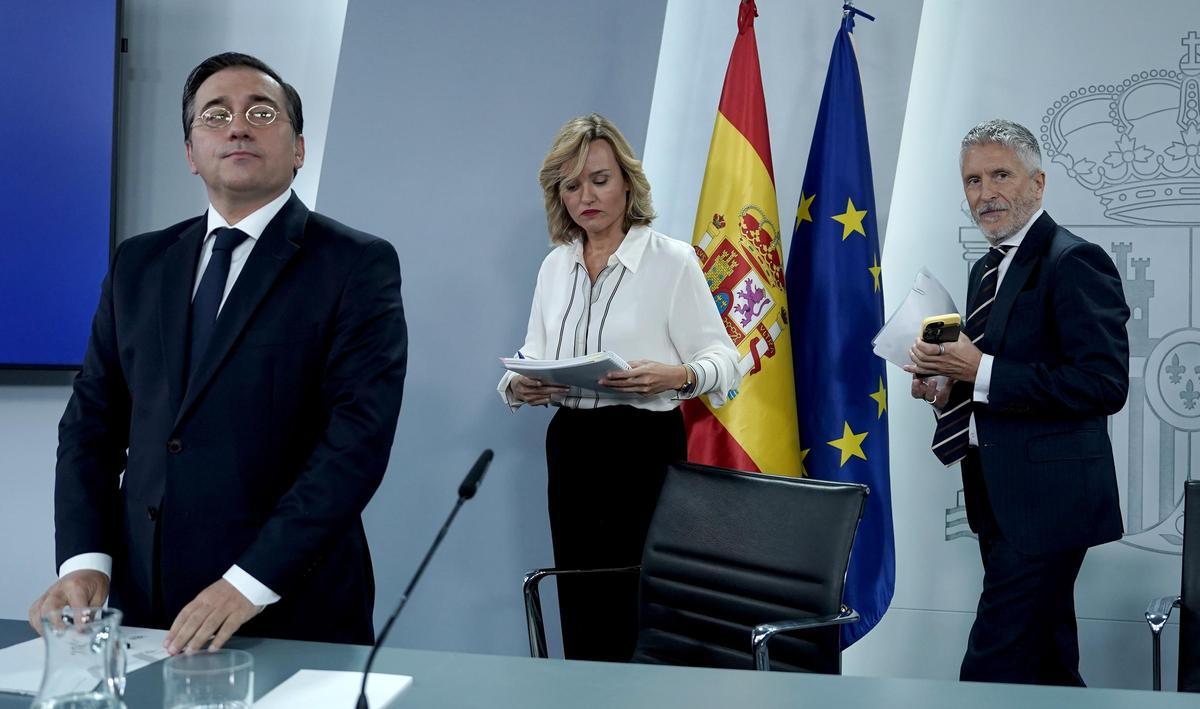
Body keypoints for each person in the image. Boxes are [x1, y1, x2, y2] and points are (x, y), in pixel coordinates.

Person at [28, 52, 407, 654]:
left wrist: (249, 582)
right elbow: (91, 423)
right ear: (190, 153)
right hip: (144, 605)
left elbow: (355, 442)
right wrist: (83, 559)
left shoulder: (354, 264)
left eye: (261, 112)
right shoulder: (138, 264)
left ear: (298, 148)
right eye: (216, 114)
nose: (237, 125)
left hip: (287, 603)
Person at [498, 114, 740, 662]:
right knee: (580, 599)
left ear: (627, 182)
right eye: (572, 184)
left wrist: (678, 376)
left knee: (639, 604)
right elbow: (530, 355)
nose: (587, 195)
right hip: (571, 444)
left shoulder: (671, 260)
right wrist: (521, 385)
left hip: (642, 445)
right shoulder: (554, 267)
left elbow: (727, 358)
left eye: (599, 179)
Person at [906, 119, 1128, 686]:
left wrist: (979, 370)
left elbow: (1103, 384)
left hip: (1050, 506)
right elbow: (994, 381)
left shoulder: (1075, 261)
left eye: (1000, 174)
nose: (985, 193)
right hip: (1000, 497)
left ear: (1038, 183)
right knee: (1047, 665)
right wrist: (947, 386)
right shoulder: (986, 268)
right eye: (973, 180)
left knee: (991, 667)